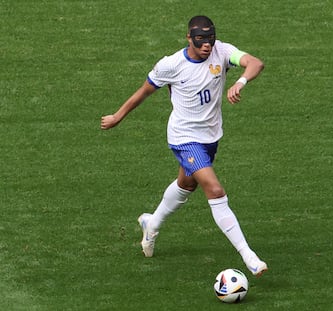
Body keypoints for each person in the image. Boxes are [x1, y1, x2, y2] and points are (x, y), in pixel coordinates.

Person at [101, 15, 267, 276]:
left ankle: (152, 223)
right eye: (200, 40)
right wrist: (118, 116)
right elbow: (143, 91)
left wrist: (240, 81)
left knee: (187, 184)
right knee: (214, 189)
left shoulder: (222, 51)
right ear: (189, 38)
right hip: (184, 138)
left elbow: (255, 63)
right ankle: (249, 256)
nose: (206, 46)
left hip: (210, 137)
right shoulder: (171, 65)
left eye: (209, 39)